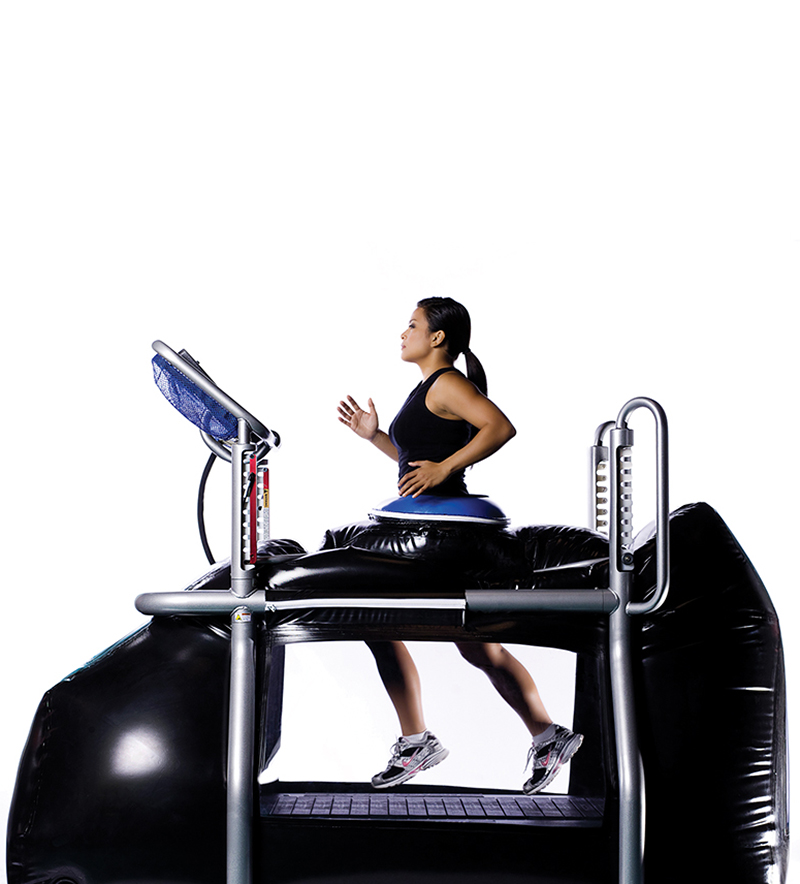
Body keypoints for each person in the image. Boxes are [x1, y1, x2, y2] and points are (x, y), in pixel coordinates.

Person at [338, 297, 582, 794]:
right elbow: (417, 464)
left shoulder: (449, 383)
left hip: (448, 538)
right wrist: (375, 437)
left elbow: (501, 427)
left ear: (437, 339)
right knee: (477, 647)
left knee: (371, 614)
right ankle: (548, 735)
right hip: (434, 528)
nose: (402, 333)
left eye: (412, 325)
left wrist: (446, 469)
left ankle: (416, 740)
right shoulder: (427, 388)